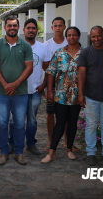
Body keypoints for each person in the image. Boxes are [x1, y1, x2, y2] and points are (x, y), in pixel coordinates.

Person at [0, 16, 33, 165]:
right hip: (1, 92)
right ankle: (3, 152)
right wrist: (5, 85)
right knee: (2, 123)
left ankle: (19, 153)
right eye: (9, 25)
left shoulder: (25, 45)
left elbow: (29, 67)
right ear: (5, 27)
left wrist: (15, 84)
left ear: (19, 28)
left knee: (20, 123)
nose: (12, 28)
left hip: (20, 92)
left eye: (14, 25)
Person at [9, 18, 51, 155]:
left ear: (37, 31)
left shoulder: (43, 48)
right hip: (18, 90)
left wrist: (43, 86)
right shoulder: (16, 45)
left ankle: (31, 144)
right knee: (14, 119)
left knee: (32, 119)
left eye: (33, 28)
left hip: (35, 90)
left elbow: (48, 70)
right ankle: (12, 144)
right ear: (23, 30)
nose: (31, 30)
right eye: (28, 28)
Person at [41, 26, 83, 163]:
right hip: (61, 94)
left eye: (74, 35)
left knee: (72, 122)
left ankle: (69, 149)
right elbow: (51, 71)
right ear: (66, 37)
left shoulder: (84, 53)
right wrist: (50, 91)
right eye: (69, 35)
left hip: (77, 95)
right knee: (60, 122)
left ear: (78, 36)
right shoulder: (59, 53)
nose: (72, 37)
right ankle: (52, 151)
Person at [78, 26, 103, 166]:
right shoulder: (86, 52)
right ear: (90, 37)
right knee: (91, 126)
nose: (96, 39)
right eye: (93, 37)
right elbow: (81, 74)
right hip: (90, 96)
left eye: (98, 36)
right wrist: (80, 94)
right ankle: (91, 153)